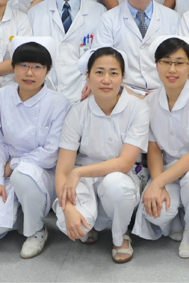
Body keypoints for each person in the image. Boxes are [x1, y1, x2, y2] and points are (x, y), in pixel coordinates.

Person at [54, 47, 149, 263]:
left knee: (116, 185)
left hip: (122, 176)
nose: (106, 79)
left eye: (114, 73)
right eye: (99, 72)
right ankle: (94, 222)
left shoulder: (138, 109)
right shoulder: (77, 112)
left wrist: (78, 173)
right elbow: (62, 170)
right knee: (72, 224)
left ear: (122, 78)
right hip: (85, 178)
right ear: (87, 77)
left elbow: (124, 163)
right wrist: (67, 209)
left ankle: (120, 236)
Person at [132, 36, 189, 259]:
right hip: (169, 170)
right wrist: (158, 183)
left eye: (179, 63)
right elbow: (154, 149)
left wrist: (158, 183)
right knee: (153, 212)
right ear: (156, 65)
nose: (172, 69)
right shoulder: (150, 102)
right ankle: (175, 217)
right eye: (165, 62)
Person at [0, 37, 70, 258]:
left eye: (37, 67)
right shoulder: (3, 95)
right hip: (8, 170)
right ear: (13, 68)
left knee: (23, 175)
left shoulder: (59, 103)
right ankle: (23, 211)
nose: (29, 73)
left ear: (47, 71)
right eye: (23, 65)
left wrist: (14, 165)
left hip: (42, 172)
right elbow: (0, 142)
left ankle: (36, 230)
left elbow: (51, 154)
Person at [93, 0, 180, 96]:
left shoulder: (172, 18)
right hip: (122, 93)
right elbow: (102, 65)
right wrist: (131, 96)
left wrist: (161, 94)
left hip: (164, 93)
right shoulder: (108, 19)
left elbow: (179, 63)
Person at [28, 0, 106, 103]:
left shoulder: (100, 12)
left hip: (86, 96)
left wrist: (95, 83)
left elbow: (104, 57)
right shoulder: (34, 14)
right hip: (44, 96)